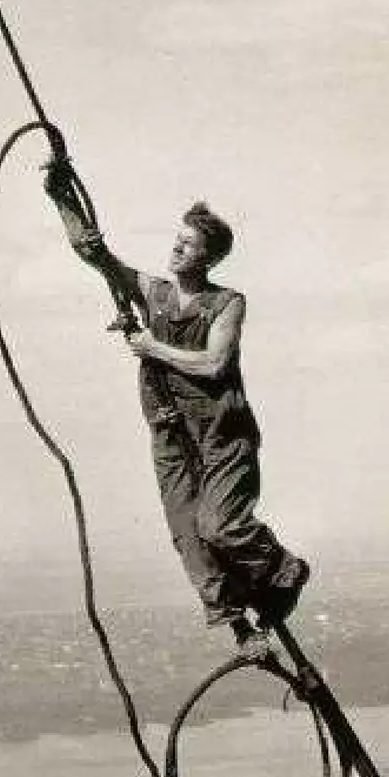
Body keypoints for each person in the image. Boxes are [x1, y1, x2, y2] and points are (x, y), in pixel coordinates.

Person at [44, 161, 308, 659]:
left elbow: (214, 364)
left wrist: (152, 348)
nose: (178, 247)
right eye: (178, 238)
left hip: (221, 435)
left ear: (208, 257)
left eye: (189, 243)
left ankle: (283, 571)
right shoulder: (153, 293)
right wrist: (60, 195)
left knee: (222, 528)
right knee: (190, 538)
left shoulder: (226, 302)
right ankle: (241, 631)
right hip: (169, 432)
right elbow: (95, 256)